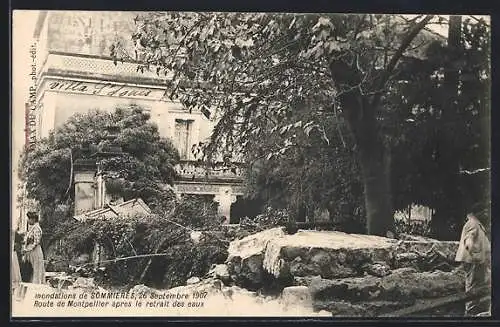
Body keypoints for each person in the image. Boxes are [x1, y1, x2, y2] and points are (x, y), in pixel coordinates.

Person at [455, 208, 491, 316]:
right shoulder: (473, 223)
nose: (485, 213)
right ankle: (470, 312)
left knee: (477, 284)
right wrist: (473, 253)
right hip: (473, 261)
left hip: (477, 260)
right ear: (476, 212)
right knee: (472, 286)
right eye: (482, 211)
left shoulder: (476, 224)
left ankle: (474, 309)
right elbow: (469, 240)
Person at [21, 212, 46, 284]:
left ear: (33, 219)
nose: (28, 221)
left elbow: (36, 242)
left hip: (36, 251)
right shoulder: (33, 228)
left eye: (29, 219)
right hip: (32, 251)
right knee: (33, 268)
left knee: (37, 268)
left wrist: (27, 249)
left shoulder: (37, 228)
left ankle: (37, 284)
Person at [11, 229, 22, 297]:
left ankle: (13, 292)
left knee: (14, 273)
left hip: (12, 255)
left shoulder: (13, 232)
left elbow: (19, 240)